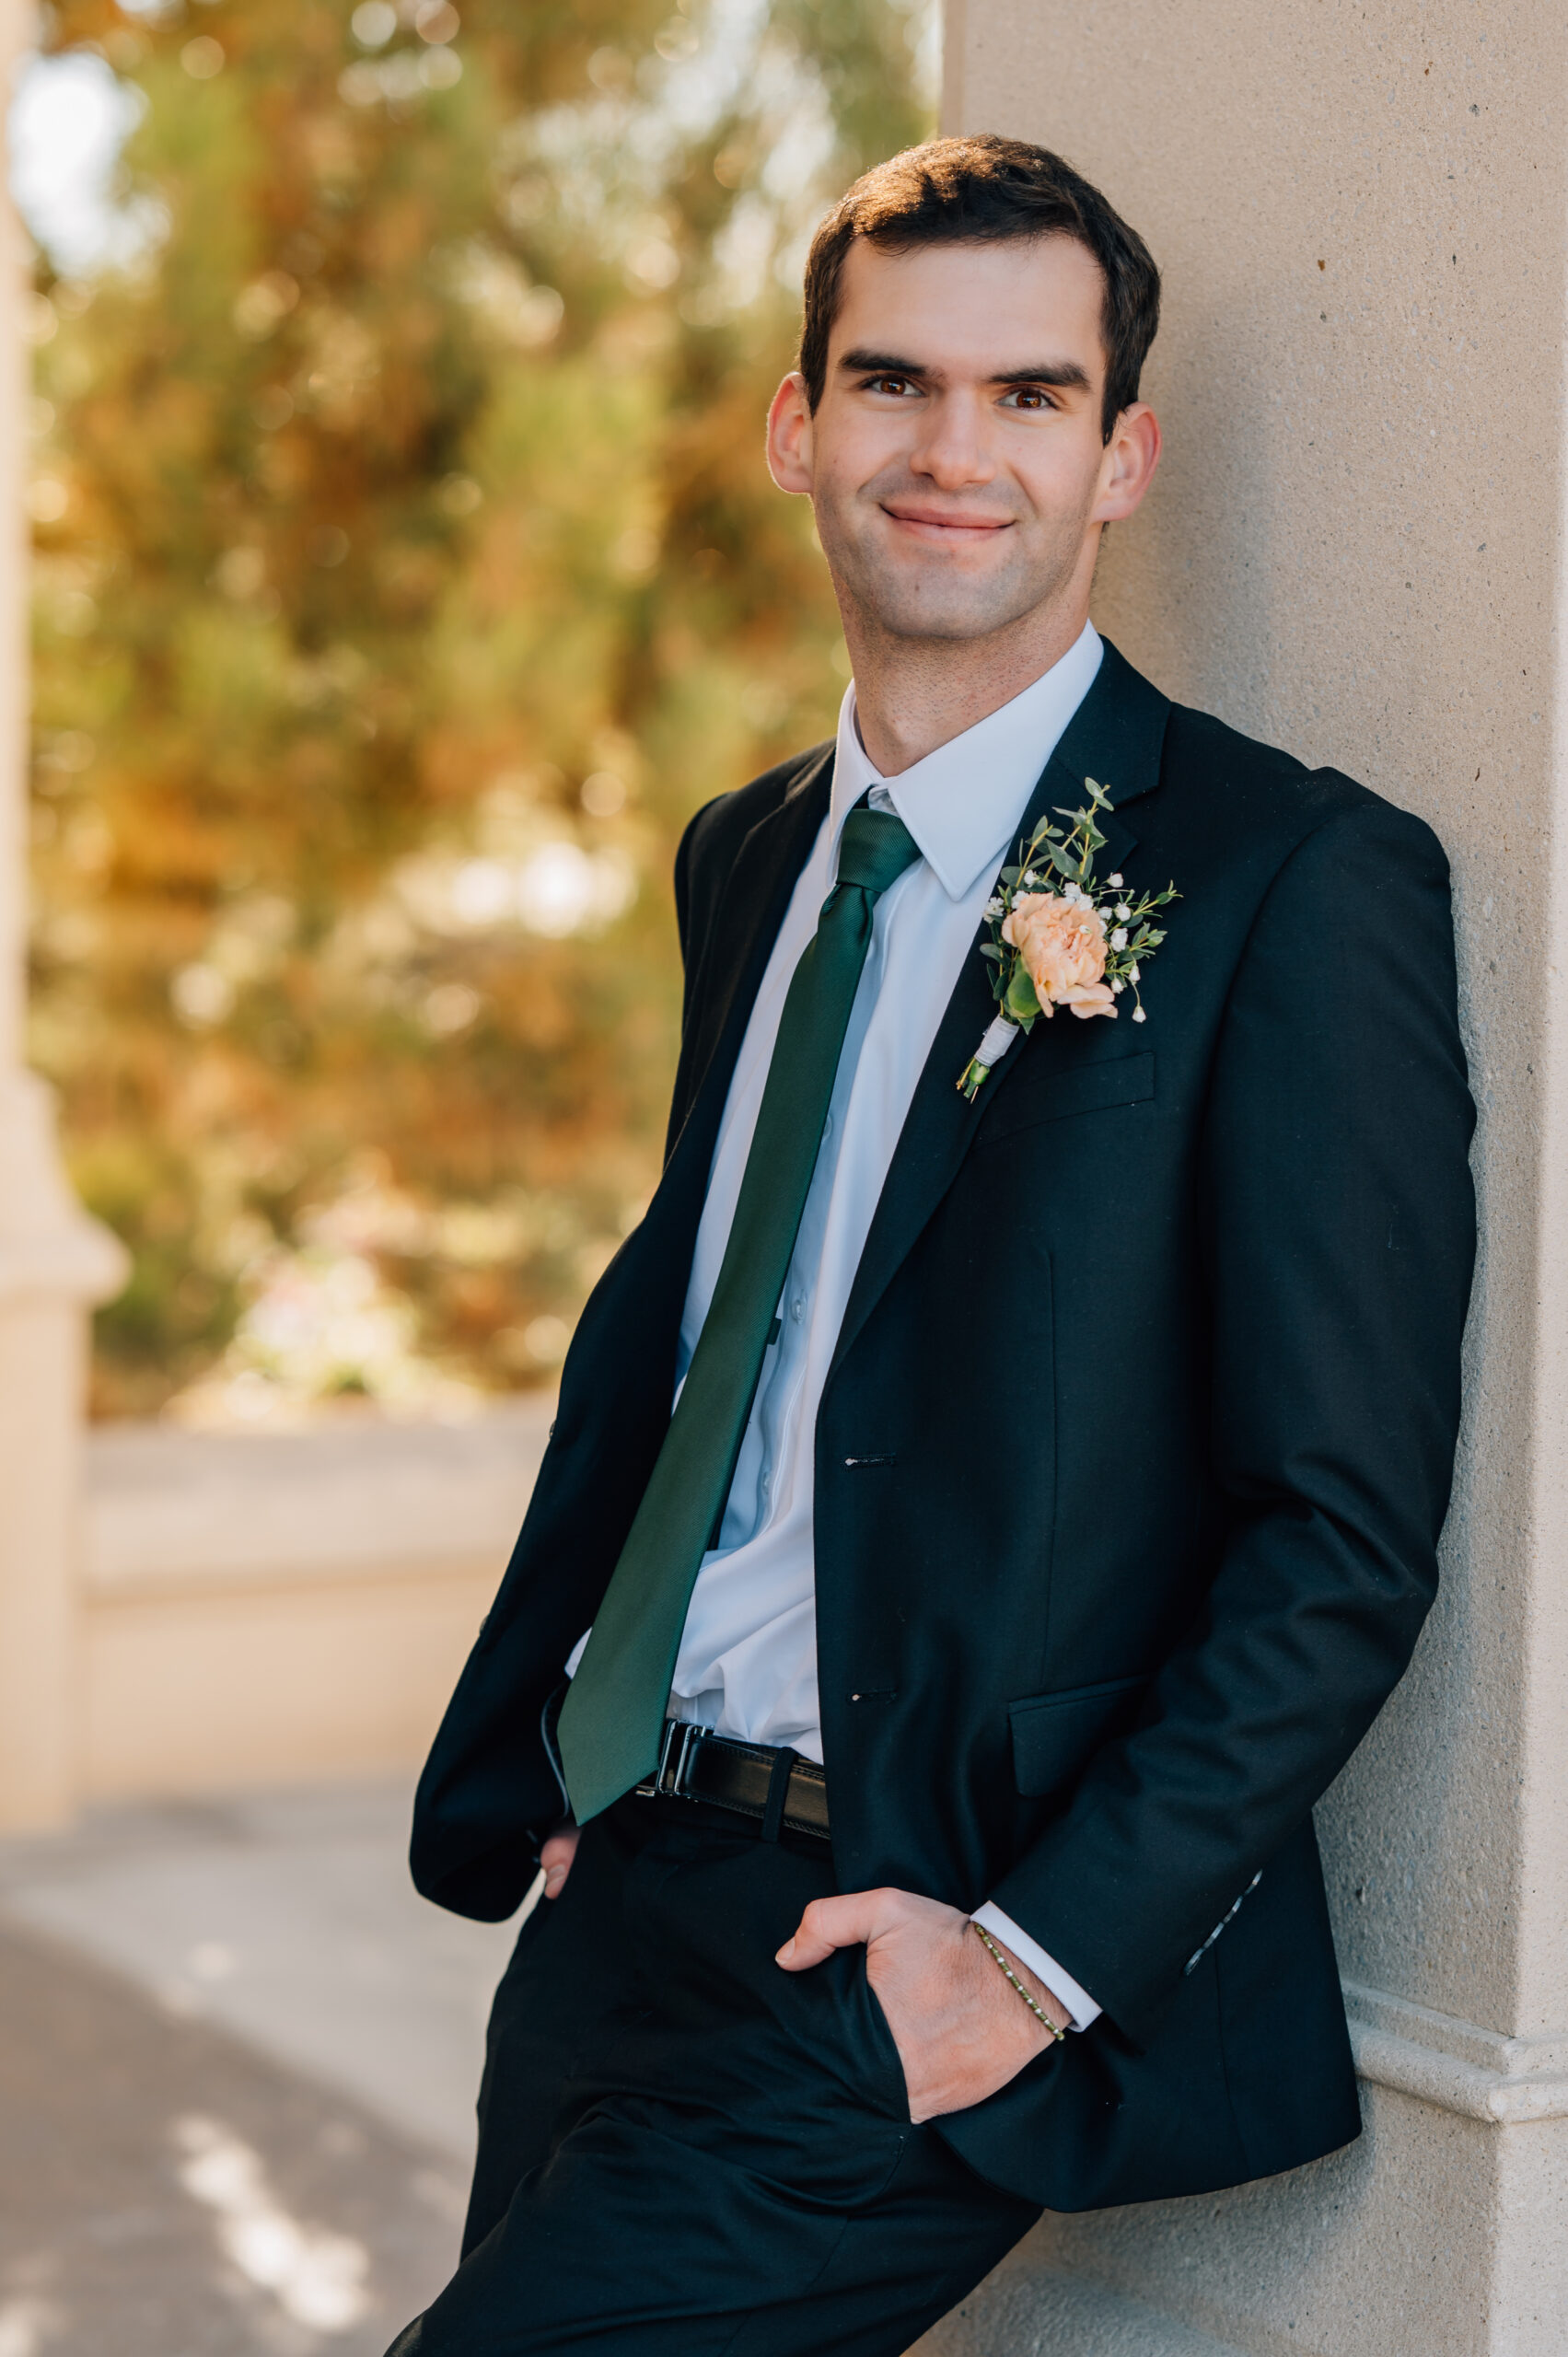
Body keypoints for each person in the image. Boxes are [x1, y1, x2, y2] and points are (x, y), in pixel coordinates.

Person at [386, 135, 1475, 2355]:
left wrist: (1029, 1960)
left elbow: (1340, 1530)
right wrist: (593, 1763)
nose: (953, 452)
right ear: (802, 426)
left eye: (1030, 396)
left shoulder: (1287, 880)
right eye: (894, 384)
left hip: (916, 1949)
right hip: (630, 1887)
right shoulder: (749, 855)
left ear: (1124, 454)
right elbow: (714, 1328)